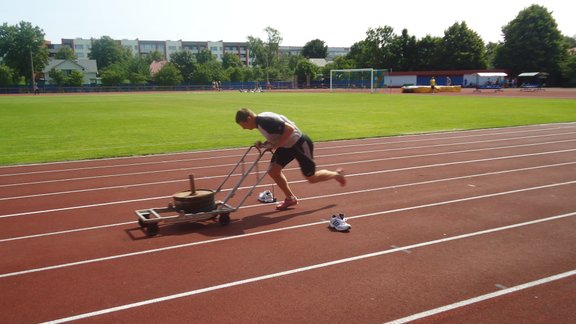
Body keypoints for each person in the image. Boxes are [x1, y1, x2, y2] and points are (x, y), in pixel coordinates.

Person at [235, 108, 346, 210]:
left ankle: (336, 174)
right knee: (273, 171)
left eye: (243, 125)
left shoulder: (265, 122)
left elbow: (289, 129)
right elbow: (277, 135)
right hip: (287, 146)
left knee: (311, 178)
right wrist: (264, 144)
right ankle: (290, 198)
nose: (244, 128)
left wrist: (276, 145)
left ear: (248, 119)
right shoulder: (260, 122)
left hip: (299, 144)